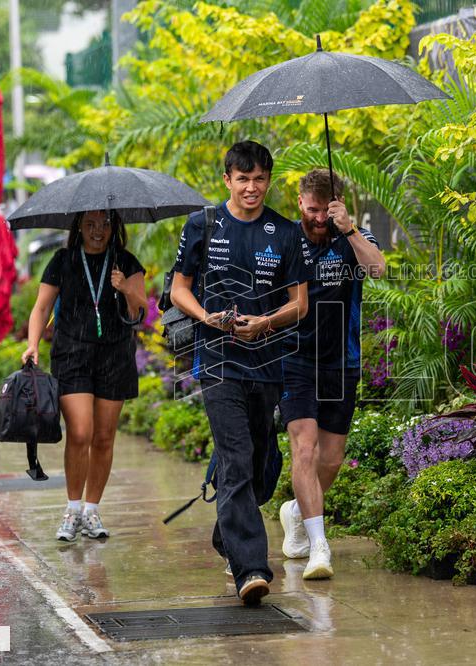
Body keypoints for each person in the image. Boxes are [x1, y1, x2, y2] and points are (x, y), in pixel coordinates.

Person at [170, 140, 310, 605]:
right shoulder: (203, 224)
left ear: (269, 181)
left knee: (260, 465)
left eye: (259, 179)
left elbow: (299, 304)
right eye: (243, 179)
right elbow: (179, 290)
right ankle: (250, 567)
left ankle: (226, 533)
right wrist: (205, 318)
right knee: (235, 457)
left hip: (268, 363)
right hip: (218, 362)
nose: (251, 187)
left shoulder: (285, 232)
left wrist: (266, 322)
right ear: (227, 179)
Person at [278, 169, 386, 580]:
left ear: (337, 205)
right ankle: (319, 545)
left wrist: (350, 229)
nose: (319, 218)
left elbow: (378, 269)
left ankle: (296, 511)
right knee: (304, 450)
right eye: (312, 209)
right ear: (300, 203)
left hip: (342, 360)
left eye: (326, 210)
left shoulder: (352, 238)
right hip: (294, 358)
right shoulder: (285, 240)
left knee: (331, 459)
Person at [22, 209, 146, 542]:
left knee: (103, 437)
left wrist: (125, 288)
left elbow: (140, 310)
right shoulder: (63, 260)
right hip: (72, 354)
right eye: (90, 224)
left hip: (115, 356)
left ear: (114, 226)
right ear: (78, 226)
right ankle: (72, 509)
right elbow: (41, 307)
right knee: (80, 431)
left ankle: (92, 511)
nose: (97, 231)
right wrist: (33, 344)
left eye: (104, 224)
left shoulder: (125, 262)